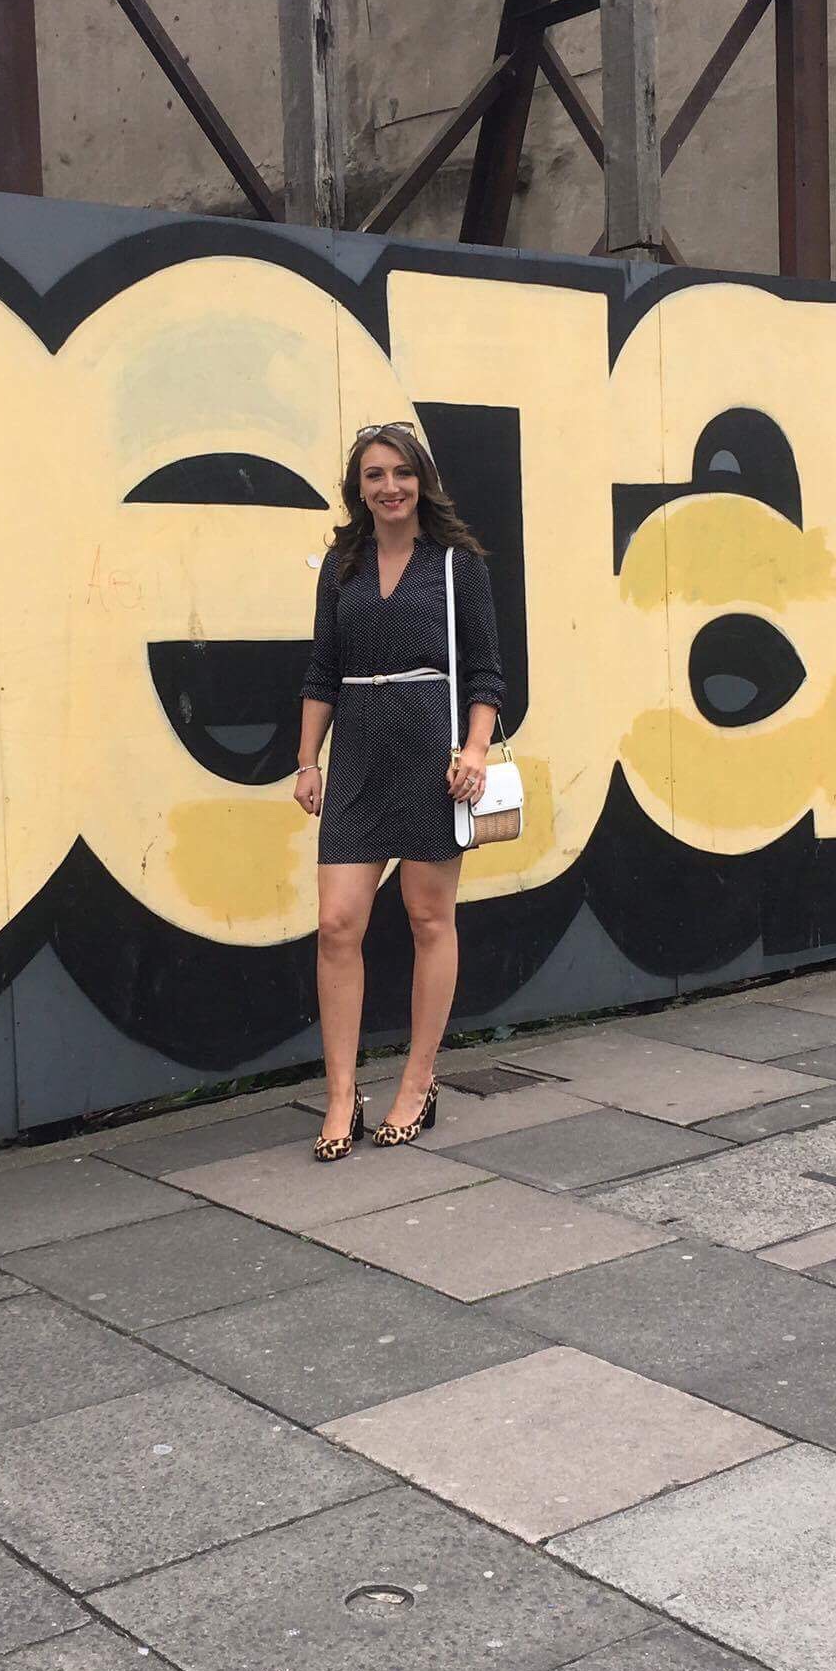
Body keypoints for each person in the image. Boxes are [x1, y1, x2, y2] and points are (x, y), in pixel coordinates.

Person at [294, 421, 504, 1162]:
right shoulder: (341, 565)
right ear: (358, 487)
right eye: (374, 474)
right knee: (336, 925)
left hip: (430, 756)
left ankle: (418, 1082)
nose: (389, 487)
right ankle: (340, 1095)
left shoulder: (456, 565)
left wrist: (474, 750)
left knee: (428, 918)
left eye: (401, 473)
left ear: (423, 481)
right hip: (356, 755)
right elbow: (322, 669)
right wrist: (307, 760)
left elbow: (486, 672)